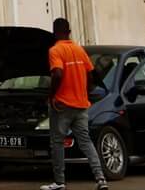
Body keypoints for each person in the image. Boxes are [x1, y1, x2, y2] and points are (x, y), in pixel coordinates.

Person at [42, 17, 108, 190]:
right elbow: (91, 75)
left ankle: (59, 182)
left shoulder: (55, 50)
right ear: (69, 32)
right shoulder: (79, 50)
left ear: (54, 33)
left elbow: (57, 74)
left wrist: (51, 96)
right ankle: (100, 179)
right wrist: (84, 91)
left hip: (62, 105)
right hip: (81, 104)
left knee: (57, 142)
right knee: (86, 141)